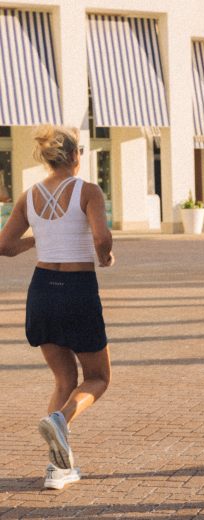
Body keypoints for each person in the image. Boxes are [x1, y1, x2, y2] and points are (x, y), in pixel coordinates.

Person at [0, 125, 114, 490]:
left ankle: (57, 469)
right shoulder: (89, 191)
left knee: (64, 379)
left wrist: (42, 238)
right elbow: (100, 236)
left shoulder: (29, 195)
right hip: (78, 291)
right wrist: (106, 255)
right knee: (99, 377)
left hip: (42, 292)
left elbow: (4, 245)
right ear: (75, 155)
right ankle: (61, 420)